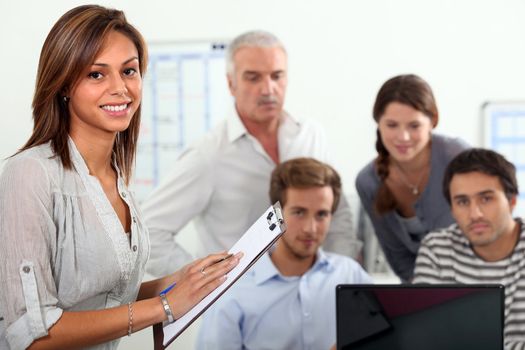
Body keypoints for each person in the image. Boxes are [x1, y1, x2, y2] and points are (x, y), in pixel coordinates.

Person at [0, 6, 241, 350]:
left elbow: (105, 297)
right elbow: (32, 333)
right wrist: (164, 306)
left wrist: (183, 282)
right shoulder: (30, 174)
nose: (121, 88)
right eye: (97, 75)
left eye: (129, 71)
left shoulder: (116, 177)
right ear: (65, 82)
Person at [142, 30, 361, 277]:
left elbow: (338, 216)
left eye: (277, 76)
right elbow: (148, 234)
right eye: (253, 78)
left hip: (311, 299)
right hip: (241, 308)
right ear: (231, 84)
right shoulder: (209, 155)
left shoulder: (310, 135)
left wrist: (340, 281)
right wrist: (210, 280)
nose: (268, 89)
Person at [196, 158, 372, 350]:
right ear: (276, 213)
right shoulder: (232, 292)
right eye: (299, 212)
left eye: (321, 214)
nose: (310, 229)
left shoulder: (350, 275)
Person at [355, 74, 470, 282]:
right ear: (378, 123)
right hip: (419, 293)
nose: (403, 137)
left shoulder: (458, 158)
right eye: (392, 125)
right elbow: (398, 256)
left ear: (433, 120)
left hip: (476, 283)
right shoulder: (368, 182)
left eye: (414, 126)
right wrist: (426, 297)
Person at [413, 148, 525, 348]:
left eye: (486, 198)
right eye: (463, 201)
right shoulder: (437, 249)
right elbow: (426, 338)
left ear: (512, 201)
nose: (475, 214)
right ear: (452, 209)